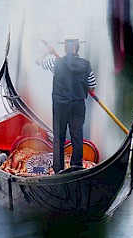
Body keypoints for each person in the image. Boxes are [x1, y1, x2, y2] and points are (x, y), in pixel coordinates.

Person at [39, 39, 96, 173]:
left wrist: (47, 52)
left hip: (60, 106)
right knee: (77, 136)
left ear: (65, 49)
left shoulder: (55, 63)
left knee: (58, 137)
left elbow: (38, 61)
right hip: (78, 105)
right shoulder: (86, 65)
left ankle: (58, 169)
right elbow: (92, 87)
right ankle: (77, 166)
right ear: (78, 48)